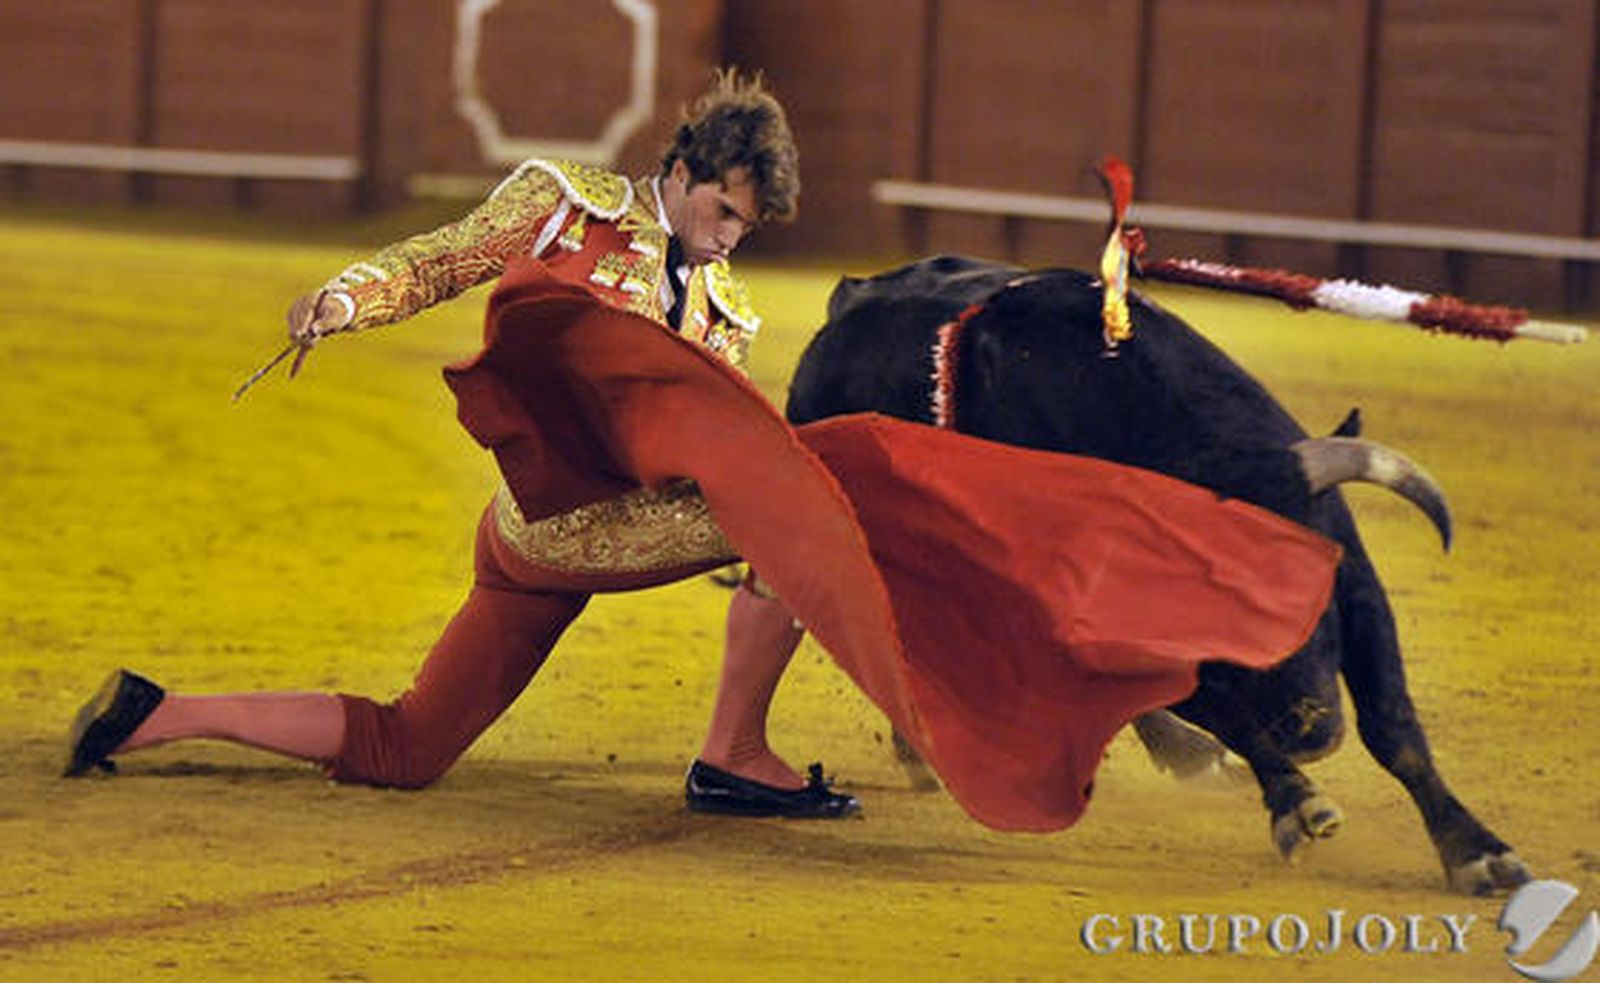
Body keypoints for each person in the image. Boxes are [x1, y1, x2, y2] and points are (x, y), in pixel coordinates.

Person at [64, 69, 860, 819]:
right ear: (682, 172)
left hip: (542, 545)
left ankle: (152, 714)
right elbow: (443, 260)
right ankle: (735, 754)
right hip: (557, 526)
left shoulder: (728, 312)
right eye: (724, 211)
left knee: (405, 745)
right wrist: (348, 299)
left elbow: (700, 449)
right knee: (805, 503)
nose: (729, 240)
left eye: (745, 227)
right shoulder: (570, 208)